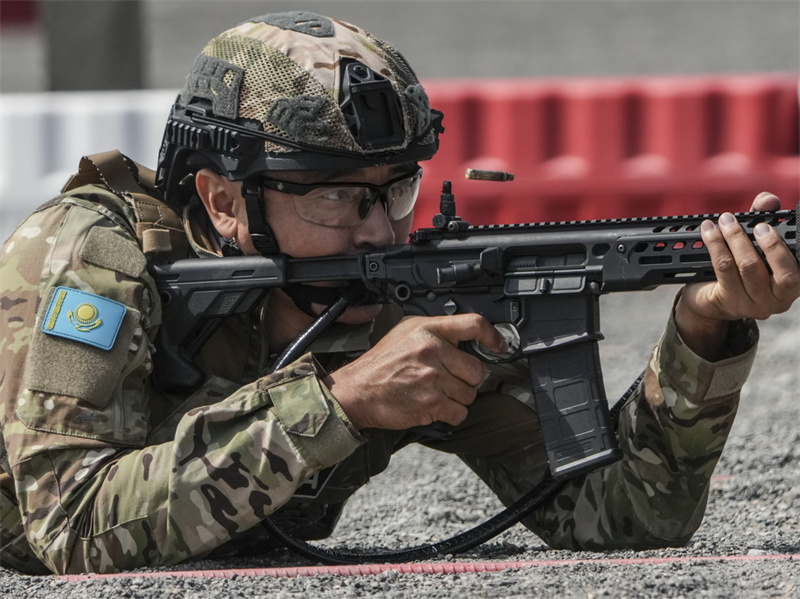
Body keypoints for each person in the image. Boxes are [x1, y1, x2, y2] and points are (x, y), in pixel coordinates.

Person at [0, 11, 797, 575]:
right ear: (220, 198)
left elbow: (624, 517)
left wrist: (703, 329)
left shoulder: (398, 301)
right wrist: (340, 401)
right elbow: (70, 527)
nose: (379, 230)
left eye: (397, 190)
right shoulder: (94, 257)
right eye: (335, 196)